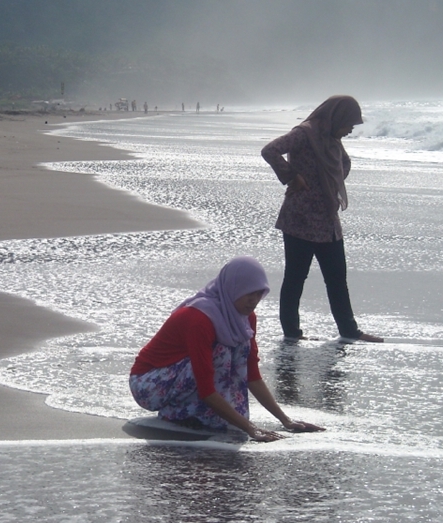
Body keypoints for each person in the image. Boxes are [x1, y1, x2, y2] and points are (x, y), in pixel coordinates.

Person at [129, 257, 325, 442]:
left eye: (259, 294)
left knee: (238, 350)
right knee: (222, 353)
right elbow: (206, 387)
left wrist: (286, 420)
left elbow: (252, 374)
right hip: (149, 384)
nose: (254, 300)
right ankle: (178, 413)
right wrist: (250, 428)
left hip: (182, 378)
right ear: (233, 288)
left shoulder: (245, 318)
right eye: (249, 293)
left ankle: (195, 414)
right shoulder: (199, 318)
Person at [261, 95, 383, 343]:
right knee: (295, 278)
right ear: (336, 117)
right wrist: (292, 176)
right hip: (300, 219)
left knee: (337, 277)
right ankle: (292, 334)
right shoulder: (305, 134)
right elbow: (270, 150)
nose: (350, 130)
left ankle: (349, 331)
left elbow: (344, 164)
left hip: (327, 219)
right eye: (349, 124)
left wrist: (329, 184)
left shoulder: (330, 139)